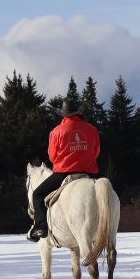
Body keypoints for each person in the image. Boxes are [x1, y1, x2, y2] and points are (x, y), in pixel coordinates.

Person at [27, 99, 101, 242]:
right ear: (77, 113)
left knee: (37, 194)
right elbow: (96, 151)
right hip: (89, 173)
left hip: (64, 173)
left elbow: (53, 156)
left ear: (64, 115)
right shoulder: (91, 129)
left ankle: (40, 227)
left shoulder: (56, 132)